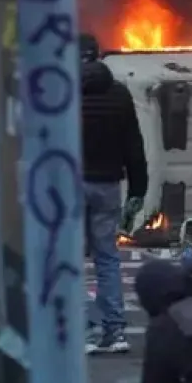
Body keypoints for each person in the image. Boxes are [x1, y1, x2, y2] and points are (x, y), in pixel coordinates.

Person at [81, 34, 148, 355]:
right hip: (108, 184)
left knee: (70, 260)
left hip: (70, 185)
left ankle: (83, 331)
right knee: (107, 257)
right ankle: (115, 330)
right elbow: (134, 145)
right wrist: (138, 189)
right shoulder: (119, 94)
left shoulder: (61, 93)